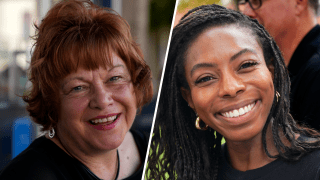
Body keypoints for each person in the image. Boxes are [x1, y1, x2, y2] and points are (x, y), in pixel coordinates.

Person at [147, 4, 320, 180]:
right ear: (188, 97)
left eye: (246, 65)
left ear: (272, 71)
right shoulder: (195, 173)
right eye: (206, 78)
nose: (230, 88)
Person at [0, 0, 153, 180]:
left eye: (114, 78)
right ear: (52, 103)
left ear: (135, 83)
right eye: (78, 87)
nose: (103, 100)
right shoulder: (28, 175)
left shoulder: (158, 151)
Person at [236, 0, 320, 130]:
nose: (246, 12)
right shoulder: (285, 68)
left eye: (256, 1)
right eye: (244, 2)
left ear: (298, 2)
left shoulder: (316, 69)